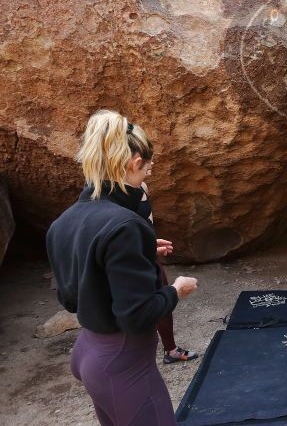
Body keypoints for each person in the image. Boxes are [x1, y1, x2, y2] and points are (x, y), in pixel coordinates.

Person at [46, 109, 198, 426]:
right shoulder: (125, 226)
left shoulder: (63, 222)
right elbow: (136, 315)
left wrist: (136, 252)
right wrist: (174, 290)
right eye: (147, 164)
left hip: (89, 352)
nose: (151, 171)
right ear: (133, 162)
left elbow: (71, 297)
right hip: (123, 362)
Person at [137, 179, 199, 364]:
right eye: (146, 158)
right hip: (131, 254)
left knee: (161, 294)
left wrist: (149, 246)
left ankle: (170, 350)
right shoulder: (112, 193)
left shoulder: (141, 185)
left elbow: (147, 222)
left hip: (144, 250)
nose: (152, 163)